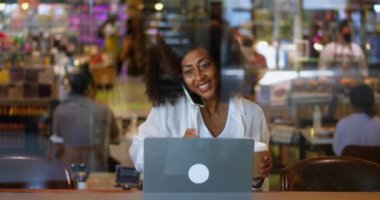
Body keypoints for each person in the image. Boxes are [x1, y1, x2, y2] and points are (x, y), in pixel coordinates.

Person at [129, 34, 272, 190]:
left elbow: (256, 186)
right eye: (189, 72)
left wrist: (259, 177)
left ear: (219, 65)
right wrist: (176, 148)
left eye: (204, 65)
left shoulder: (252, 114)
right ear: (181, 78)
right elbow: (138, 155)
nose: (199, 77)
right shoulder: (168, 110)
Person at [51, 72, 119, 172]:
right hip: (98, 167)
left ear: (70, 88)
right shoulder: (104, 110)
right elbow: (115, 135)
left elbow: (57, 140)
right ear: (89, 89)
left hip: (69, 169)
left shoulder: (60, 111)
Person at [333, 84, 380, 156]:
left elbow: (337, 151)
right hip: (375, 167)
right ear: (372, 100)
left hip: (349, 166)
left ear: (352, 102)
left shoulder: (343, 124)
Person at [318, 19, 368, 84]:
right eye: (344, 34)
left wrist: (364, 80)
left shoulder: (356, 49)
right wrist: (324, 82)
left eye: (347, 34)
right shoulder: (329, 48)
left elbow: (363, 69)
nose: (345, 37)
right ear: (337, 33)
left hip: (354, 84)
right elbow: (322, 69)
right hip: (334, 84)